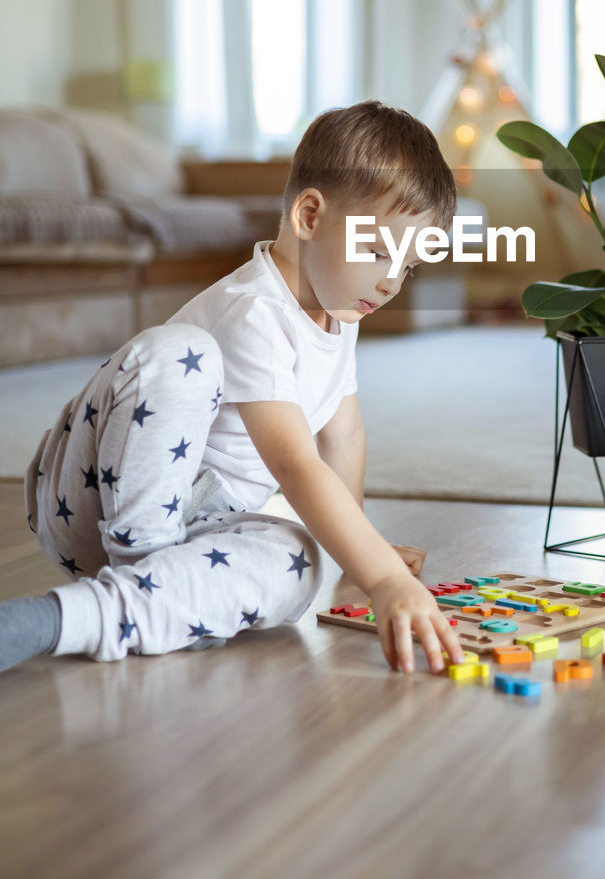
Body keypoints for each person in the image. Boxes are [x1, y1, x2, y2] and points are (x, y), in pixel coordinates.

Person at [0, 101, 465, 676]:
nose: (392, 281)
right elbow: (297, 466)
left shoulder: (340, 315)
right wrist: (386, 579)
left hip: (190, 527)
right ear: (311, 217)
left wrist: (359, 555)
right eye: (377, 253)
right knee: (179, 354)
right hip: (88, 500)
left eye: (409, 267)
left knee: (304, 558)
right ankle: (144, 582)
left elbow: (344, 437)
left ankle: (95, 613)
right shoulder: (254, 311)